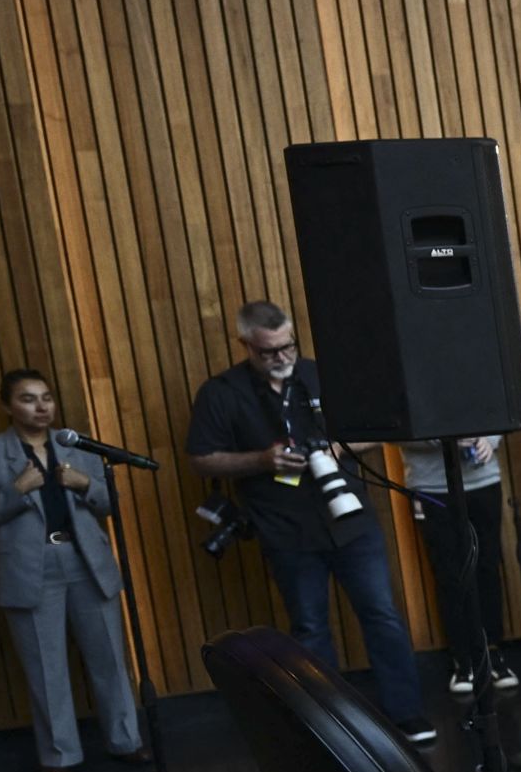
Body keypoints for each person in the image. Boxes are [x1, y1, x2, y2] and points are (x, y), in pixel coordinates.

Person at [185, 300, 432, 744]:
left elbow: (379, 428)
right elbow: (202, 459)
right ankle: (330, 726)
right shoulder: (221, 392)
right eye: (268, 352)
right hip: (284, 527)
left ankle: (407, 714)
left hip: (350, 520)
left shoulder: (323, 375)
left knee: (382, 615)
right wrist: (264, 459)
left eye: (288, 347)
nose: (281, 358)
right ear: (245, 345)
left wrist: (339, 449)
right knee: (310, 628)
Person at [0, 369, 146, 772]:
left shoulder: (76, 445)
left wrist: (85, 483)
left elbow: (109, 504)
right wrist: (17, 489)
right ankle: (60, 756)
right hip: (32, 567)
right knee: (46, 668)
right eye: (29, 399)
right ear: (7, 406)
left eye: (46, 397)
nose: (42, 406)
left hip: (85, 561)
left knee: (110, 660)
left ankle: (126, 740)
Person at [397, 429, 513, 696]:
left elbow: (496, 407)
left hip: (482, 478)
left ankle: (493, 653)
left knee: (488, 566)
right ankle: (463, 660)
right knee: (449, 574)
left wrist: (490, 439)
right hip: (432, 485)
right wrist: (443, 439)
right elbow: (394, 427)